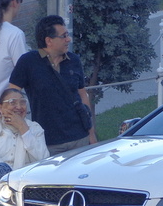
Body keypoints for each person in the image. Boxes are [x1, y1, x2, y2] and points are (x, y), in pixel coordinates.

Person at [9, 15, 97, 155]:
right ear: (49, 41)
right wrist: (21, 126)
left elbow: (82, 96)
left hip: (79, 138)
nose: (69, 39)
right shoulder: (28, 62)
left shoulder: (74, 60)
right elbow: (11, 95)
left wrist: (91, 134)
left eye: (67, 35)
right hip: (47, 142)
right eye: (64, 36)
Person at [0, 88, 49, 202]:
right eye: (12, 102)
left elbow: (43, 159)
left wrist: (23, 128)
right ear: (0, 108)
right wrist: (8, 180)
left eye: (22, 102)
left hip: (25, 184)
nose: (19, 107)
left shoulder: (35, 128)